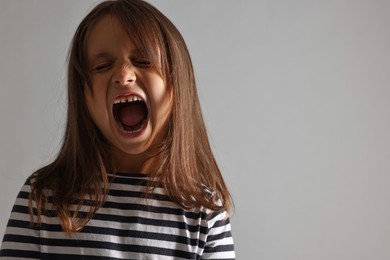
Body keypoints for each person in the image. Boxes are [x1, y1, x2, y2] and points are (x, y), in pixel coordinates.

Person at [0, 0, 235, 259]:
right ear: (84, 97)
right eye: (102, 66)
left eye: (143, 60)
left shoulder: (205, 211)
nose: (123, 75)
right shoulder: (42, 197)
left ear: (176, 84)